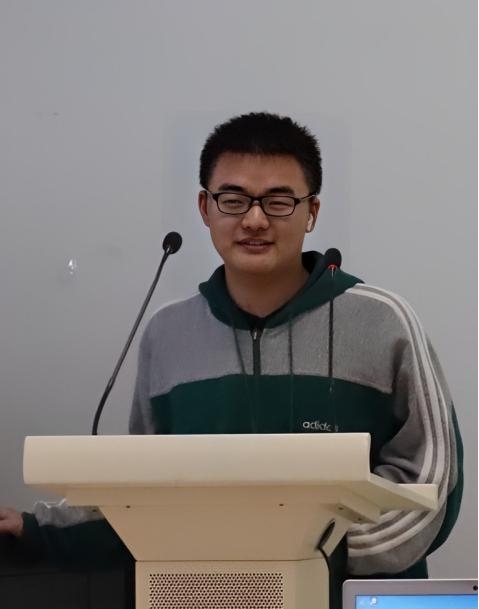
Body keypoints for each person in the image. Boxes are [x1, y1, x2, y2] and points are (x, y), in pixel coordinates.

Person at [0, 112, 463, 605]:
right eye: (234, 199)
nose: (255, 220)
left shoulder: (382, 320)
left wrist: (313, 552)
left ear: (312, 212)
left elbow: (432, 484)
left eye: (279, 201)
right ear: (205, 207)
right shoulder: (167, 333)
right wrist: (34, 527)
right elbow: (143, 495)